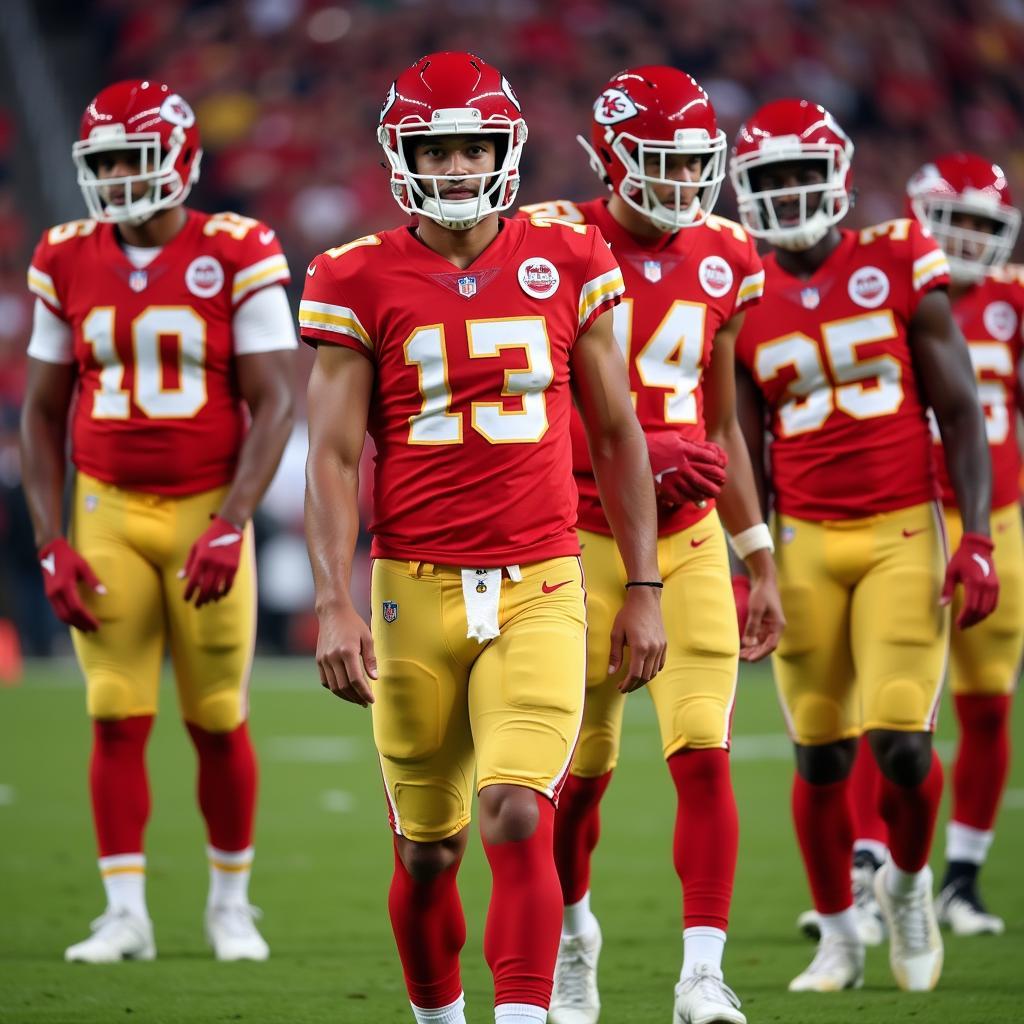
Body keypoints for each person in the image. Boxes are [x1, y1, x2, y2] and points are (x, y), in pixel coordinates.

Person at [301, 52, 666, 1024]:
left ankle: (523, 1015)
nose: (458, 165)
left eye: (474, 145)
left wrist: (643, 583)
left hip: (540, 583)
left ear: (506, 148)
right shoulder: (355, 273)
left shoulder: (570, 258)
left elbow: (620, 430)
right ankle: (438, 1016)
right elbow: (333, 458)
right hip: (411, 589)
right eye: (436, 147)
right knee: (428, 852)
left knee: (517, 811)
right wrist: (333, 598)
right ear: (399, 152)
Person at [520, 66, 784, 1024]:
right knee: (580, 776)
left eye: (692, 165)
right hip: (581, 537)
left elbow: (722, 426)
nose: (679, 185)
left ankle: (702, 974)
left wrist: (759, 555)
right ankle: (574, 936)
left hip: (691, 538)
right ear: (609, 156)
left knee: (703, 754)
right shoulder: (548, 243)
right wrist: (635, 449)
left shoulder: (726, 251)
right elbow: (526, 409)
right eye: (658, 164)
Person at [20, 80, 296, 962]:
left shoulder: (238, 247)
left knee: (217, 715)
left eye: (132, 157)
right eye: (103, 161)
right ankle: (125, 913)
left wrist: (232, 521)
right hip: (106, 507)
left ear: (179, 158)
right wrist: (48, 539)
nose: (117, 177)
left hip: (205, 508)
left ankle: (229, 905)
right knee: (114, 712)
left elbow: (275, 401)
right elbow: (40, 413)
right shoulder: (66, 253)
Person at [729, 99, 998, 993]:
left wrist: (981, 537)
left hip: (900, 531)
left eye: (804, 172)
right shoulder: (743, 289)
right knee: (821, 752)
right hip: (804, 537)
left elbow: (958, 408)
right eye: (772, 178)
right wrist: (754, 561)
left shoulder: (896, 257)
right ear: (747, 190)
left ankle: (912, 888)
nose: (792, 190)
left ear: (836, 174)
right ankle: (839, 937)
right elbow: (745, 447)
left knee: (904, 745)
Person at [835, 153, 1023, 938]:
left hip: (998, 521)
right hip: (901, 518)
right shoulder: (884, 284)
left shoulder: (1014, 300)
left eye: (984, 224)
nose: (969, 237)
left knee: (986, 706)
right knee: (884, 709)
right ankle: (868, 866)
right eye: (956, 220)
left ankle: (962, 881)